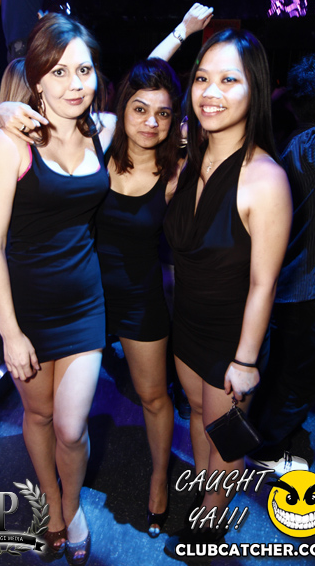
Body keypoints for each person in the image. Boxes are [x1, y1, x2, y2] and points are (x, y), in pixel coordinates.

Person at [0, 13, 115, 565]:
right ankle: (53, 506)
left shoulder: (102, 128)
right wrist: (10, 333)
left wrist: (180, 35)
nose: (74, 84)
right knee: (38, 417)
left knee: (70, 426)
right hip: (28, 311)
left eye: (83, 70)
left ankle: (74, 504)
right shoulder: (11, 145)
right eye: (58, 72)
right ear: (37, 79)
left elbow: (149, 88)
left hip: (85, 303)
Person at [161, 28, 292, 557]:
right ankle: (204, 498)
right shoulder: (185, 161)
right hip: (187, 325)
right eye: (201, 78)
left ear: (254, 89)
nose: (210, 92)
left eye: (229, 80)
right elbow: (117, 114)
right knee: (197, 415)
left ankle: (210, 531)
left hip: (233, 339)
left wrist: (246, 360)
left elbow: (265, 283)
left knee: (227, 439)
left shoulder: (265, 178)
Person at [95, 58, 182, 537]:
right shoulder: (95, 152)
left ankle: (159, 479)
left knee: (153, 396)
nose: (151, 121)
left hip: (139, 297)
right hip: (83, 296)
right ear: (122, 109)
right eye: (140, 109)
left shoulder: (175, 174)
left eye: (163, 113)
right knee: (63, 406)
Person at [248, 54, 315, 475]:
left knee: (286, 375)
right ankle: (266, 449)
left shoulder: (300, 143)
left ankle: (270, 435)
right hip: (306, 290)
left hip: (297, 286)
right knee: (300, 380)